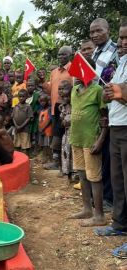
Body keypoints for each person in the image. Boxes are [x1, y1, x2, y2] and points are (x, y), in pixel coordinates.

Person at [97, 20, 127, 260]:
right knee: (118, 180)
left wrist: (120, 91)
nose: (123, 43)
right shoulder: (123, 61)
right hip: (117, 127)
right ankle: (120, 223)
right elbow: (116, 90)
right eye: (121, 39)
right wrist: (109, 93)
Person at [68, 58, 108, 227]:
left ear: (90, 71)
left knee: (94, 177)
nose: (76, 75)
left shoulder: (98, 90)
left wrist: (100, 141)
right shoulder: (74, 90)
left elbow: (105, 117)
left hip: (91, 140)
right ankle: (87, 209)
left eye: (80, 70)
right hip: (76, 138)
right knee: (82, 175)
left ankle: (99, 215)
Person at [45, 47, 73, 171]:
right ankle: (57, 162)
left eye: (64, 54)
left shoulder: (74, 69)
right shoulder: (54, 72)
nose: (61, 57)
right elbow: (52, 90)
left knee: (67, 136)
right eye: (59, 54)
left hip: (69, 109)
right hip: (56, 108)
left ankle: (69, 165)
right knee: (57, 136)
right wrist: (42, 82)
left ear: (70, 55)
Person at [90, 18, 119, 86]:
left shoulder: (117, 50)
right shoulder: (95, 51)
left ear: (108, 30)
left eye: (99, 31)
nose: (95, 35)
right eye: (92, 32)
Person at [59, 87, 74, 183]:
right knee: (66, 155)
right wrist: (63, 123)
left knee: (74, 156)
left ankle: (76, 175)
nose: (66, 99)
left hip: (75, 134)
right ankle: (68, 175)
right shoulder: (63, 108)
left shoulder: (75, 107)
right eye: (64, 97)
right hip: (67, 134)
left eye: (68, 97)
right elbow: (61, 122)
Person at [38, 94, 52, 163]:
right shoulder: (41, 110)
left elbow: (49, 120)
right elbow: (39, 120)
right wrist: (40, 128)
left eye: (44, 101)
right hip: (41, 131)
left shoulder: (49, 109)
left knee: (47, 145)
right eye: (41, 101)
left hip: (47, 130)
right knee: (43, 145)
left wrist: (43, 128)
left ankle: (51, 159)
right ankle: (44, 158)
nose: (42, 103)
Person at [26, 78, 40, 147]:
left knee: (35, 131)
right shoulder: (24, 95)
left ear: (35, 86)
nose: (30, 87)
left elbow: (39, 104)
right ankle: (29, 146)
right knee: (28, 132)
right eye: (29, 86)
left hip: (35, 116)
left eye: (32, 85)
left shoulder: (37, 95)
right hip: (26, 116)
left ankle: (36, 147)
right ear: (26, 86)